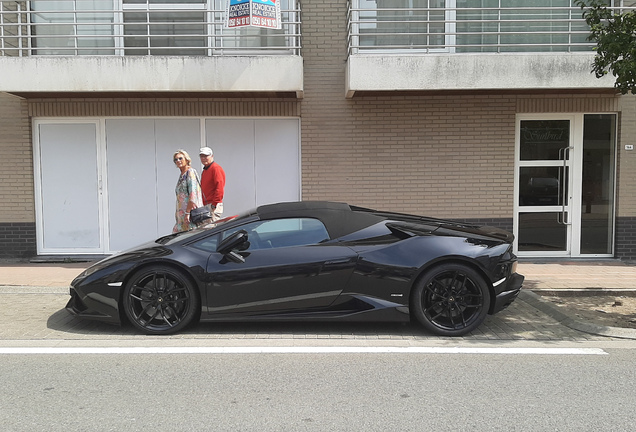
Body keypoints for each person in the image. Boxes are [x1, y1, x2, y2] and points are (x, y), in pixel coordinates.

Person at [173, 149, 203, 233]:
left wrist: (187, 213)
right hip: (181, 216)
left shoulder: (190, 172)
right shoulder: (182, 175)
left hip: (189, 216)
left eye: (180, 158)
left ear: (186, 159)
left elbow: (192, 195)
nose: (178, 161)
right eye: (176, 159)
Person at [199, 147, 226, 221]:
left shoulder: (216, 168)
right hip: (206, 205)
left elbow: (219, 187)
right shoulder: (205, 170)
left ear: (212, 156)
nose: (204, 158)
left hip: (212, 205)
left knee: (211, 228)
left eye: (206, 156)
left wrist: (214, 204)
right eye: (202, 156)